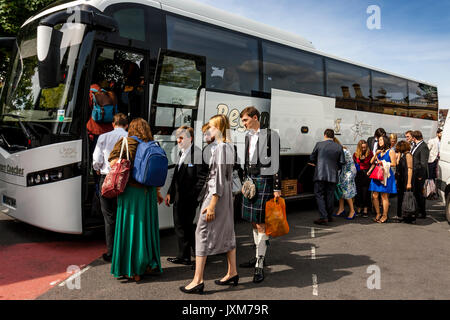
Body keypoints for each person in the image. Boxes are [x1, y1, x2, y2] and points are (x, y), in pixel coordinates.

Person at [180, 115, 237, 294]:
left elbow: (218, 178)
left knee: (201, 232)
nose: (208, 130)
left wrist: (211, 205)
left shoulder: (220, 148)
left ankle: (198, 280)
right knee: (227, 230)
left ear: (220, 128)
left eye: (211, 127)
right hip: (225, 195)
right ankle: (232, 272)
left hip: (216, 195)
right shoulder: (229, 146)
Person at [108, 118, 164, 282]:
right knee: (146, 229)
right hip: (149, 193)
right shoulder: (152, 144)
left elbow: (112, 162)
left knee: (131, 229)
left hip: (131, 193)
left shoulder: (127, 142)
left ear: (131, 129)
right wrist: (158, 193)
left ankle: (132, 270)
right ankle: (148, 264)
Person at [239, 106, 281, 284]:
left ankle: (259, 263)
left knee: (262, 223)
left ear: (255, 118)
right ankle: (258, 254)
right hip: (251, 180)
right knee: (255, 222)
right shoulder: (248, 136)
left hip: (265, 181)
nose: (243, 124)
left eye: (245, 120)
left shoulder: (271, 135)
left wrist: (277, 187)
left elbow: (277, 161)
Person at [165, 126, 207, 266]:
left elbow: (202, 178)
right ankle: (188, 255)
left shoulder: (198, 154)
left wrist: (193, 196)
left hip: (188, 198)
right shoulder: (181, 153)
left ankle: (192, 256)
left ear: (190, 138)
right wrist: (170, 193)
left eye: (181, 137)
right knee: (181, 226)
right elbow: (176, 176)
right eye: (178, 137)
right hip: (178, 197)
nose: (178, 140)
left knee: (186, 226)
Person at [92, 113, 129, 262]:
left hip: (107, 178)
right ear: (126, 125)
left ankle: (112, 252)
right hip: (124, 179)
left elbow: (96, 159)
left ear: (113, 124)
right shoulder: (130, 137)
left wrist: (98, 168)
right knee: (124, 215)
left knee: (109, 217)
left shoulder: (103, 137)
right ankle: (125, 250)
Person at [309, 129, 345, 226]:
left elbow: (312, 157)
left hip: (320, 174)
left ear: (325, 135)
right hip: (332, 175)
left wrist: (317, 163)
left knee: (319, 195)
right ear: (333, 136)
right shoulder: (338, 147)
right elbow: (342, 162)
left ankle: (323, 217)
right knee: (330, 195)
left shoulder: (319, 144)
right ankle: (329, 216)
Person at [368, 135, 397, 223]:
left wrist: (383, 162)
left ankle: (385, 215)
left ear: (385, 141)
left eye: (381, 140)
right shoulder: (378, 151)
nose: (379, 142)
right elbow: (371, 162)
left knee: (384, 196)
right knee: (374, 196)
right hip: (377, 174)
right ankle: (378, 213)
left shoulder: (391, 151)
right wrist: (376, 154)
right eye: (379, 140)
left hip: (385, 175)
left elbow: (394, 164)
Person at [334, 138, 357, 220]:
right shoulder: (339, 150)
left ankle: (352, 211)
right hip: (342, 172)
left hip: (348, 172)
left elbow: (343, 163)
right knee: (340, 190)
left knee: (347, 191)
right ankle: (341, 209)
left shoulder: (343, 151)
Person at [411, 130, 430, 219]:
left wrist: (420, 175)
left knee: (419, 194)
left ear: (414, 138)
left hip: (419, 175)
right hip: (415, 173)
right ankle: (417, 210)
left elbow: (423, 163)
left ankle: (422, 212)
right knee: (416, 193)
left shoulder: (423, 147)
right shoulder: (416, 145)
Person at [353, 140, 373, 217]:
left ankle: (365, 208)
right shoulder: (355, 154)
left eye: (365, 147)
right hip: (358, 174)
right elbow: (354, 164)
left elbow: (373, 164)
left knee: (366, 192)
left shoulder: (370, 153)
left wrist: (369, 171)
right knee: (358, 192)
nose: (364, 149)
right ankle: (359, 208)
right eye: (362, 147)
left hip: (367, 173)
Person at [394, 141, 413, 222]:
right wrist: (398, 156)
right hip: (400, 179)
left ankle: (407, 215)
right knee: (400, 198)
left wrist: (409, 182)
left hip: (405, 179)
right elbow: (397, 165)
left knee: (406, 198)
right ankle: (400, 215)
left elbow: (410, 169)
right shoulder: (402, 155)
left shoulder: (408, 155)